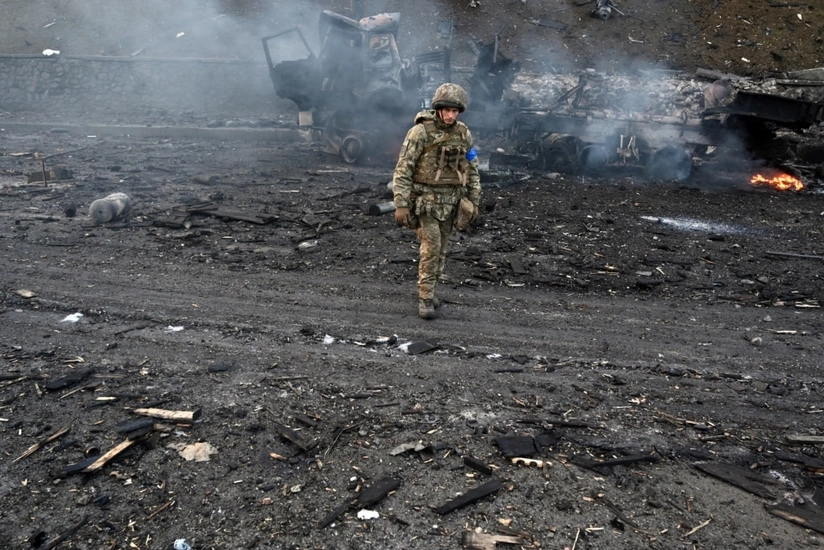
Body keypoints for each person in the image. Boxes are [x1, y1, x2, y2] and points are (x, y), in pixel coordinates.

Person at [392, 83, 482, 319]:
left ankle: (430, 293)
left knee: (442, 250)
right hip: (426, 202)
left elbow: (472, 168)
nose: (451, 115)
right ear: (439, 108)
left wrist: (474, 200)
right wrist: (401, 204)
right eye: (447, 110)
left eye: (455, 111)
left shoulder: (463, 133)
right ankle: (424, 299)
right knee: (430, 249)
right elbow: (403, 169)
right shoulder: (420, 132)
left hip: (452, 203)